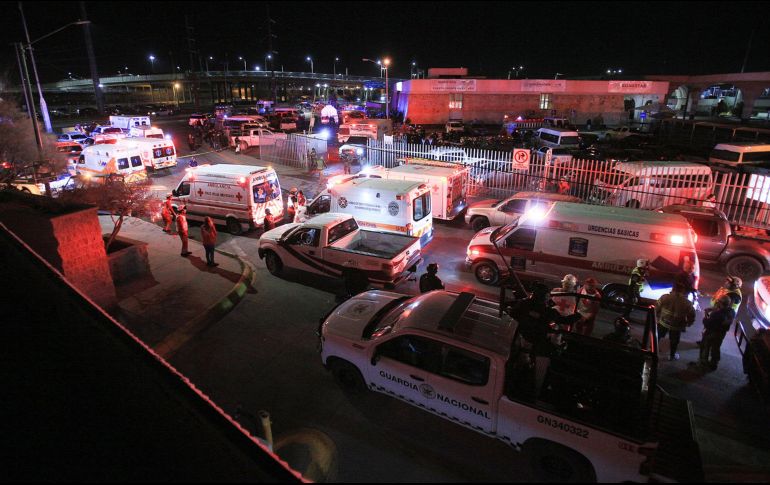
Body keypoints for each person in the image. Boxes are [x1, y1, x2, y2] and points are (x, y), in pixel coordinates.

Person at [655, 282, 696, 361]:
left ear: (673, 289)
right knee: (674, 341)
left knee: (658, 336)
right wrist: (689, 323)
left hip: (663, 322)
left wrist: (657, 317)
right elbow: (692, 315)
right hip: (676, 326)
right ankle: (672, 355)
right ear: (683, 291)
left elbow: (656, 308)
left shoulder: (665, 297)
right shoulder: (687, 303)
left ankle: (652, 349)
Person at [698, 295, 735, 371]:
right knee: (716, 348)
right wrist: (713, 309)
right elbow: (723, 311)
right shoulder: (731, 311)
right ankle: (714, 363)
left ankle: (703, 362)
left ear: (720, 303)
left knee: (705, 346)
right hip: (721, 333)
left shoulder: (716, 314)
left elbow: (707, 323)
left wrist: (705, 315)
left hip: (711, 333)